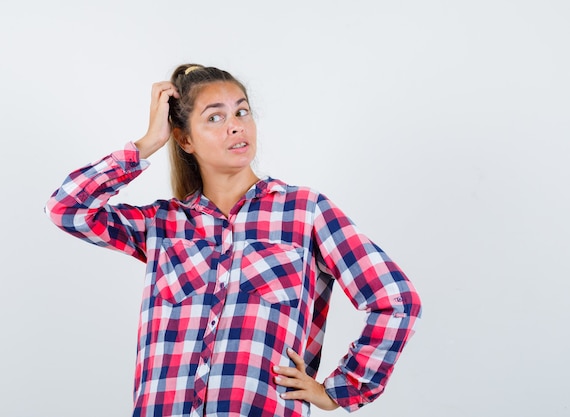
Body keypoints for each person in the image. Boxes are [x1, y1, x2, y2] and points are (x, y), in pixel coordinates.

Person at [45, 64, 422, 417]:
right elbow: (68, 208)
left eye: (241, 112)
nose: (236, 126)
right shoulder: (163, 224)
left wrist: (340, 389)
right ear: (184, 139)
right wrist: (147, 142)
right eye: (215, 117)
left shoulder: (304, 211)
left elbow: (396, 301)